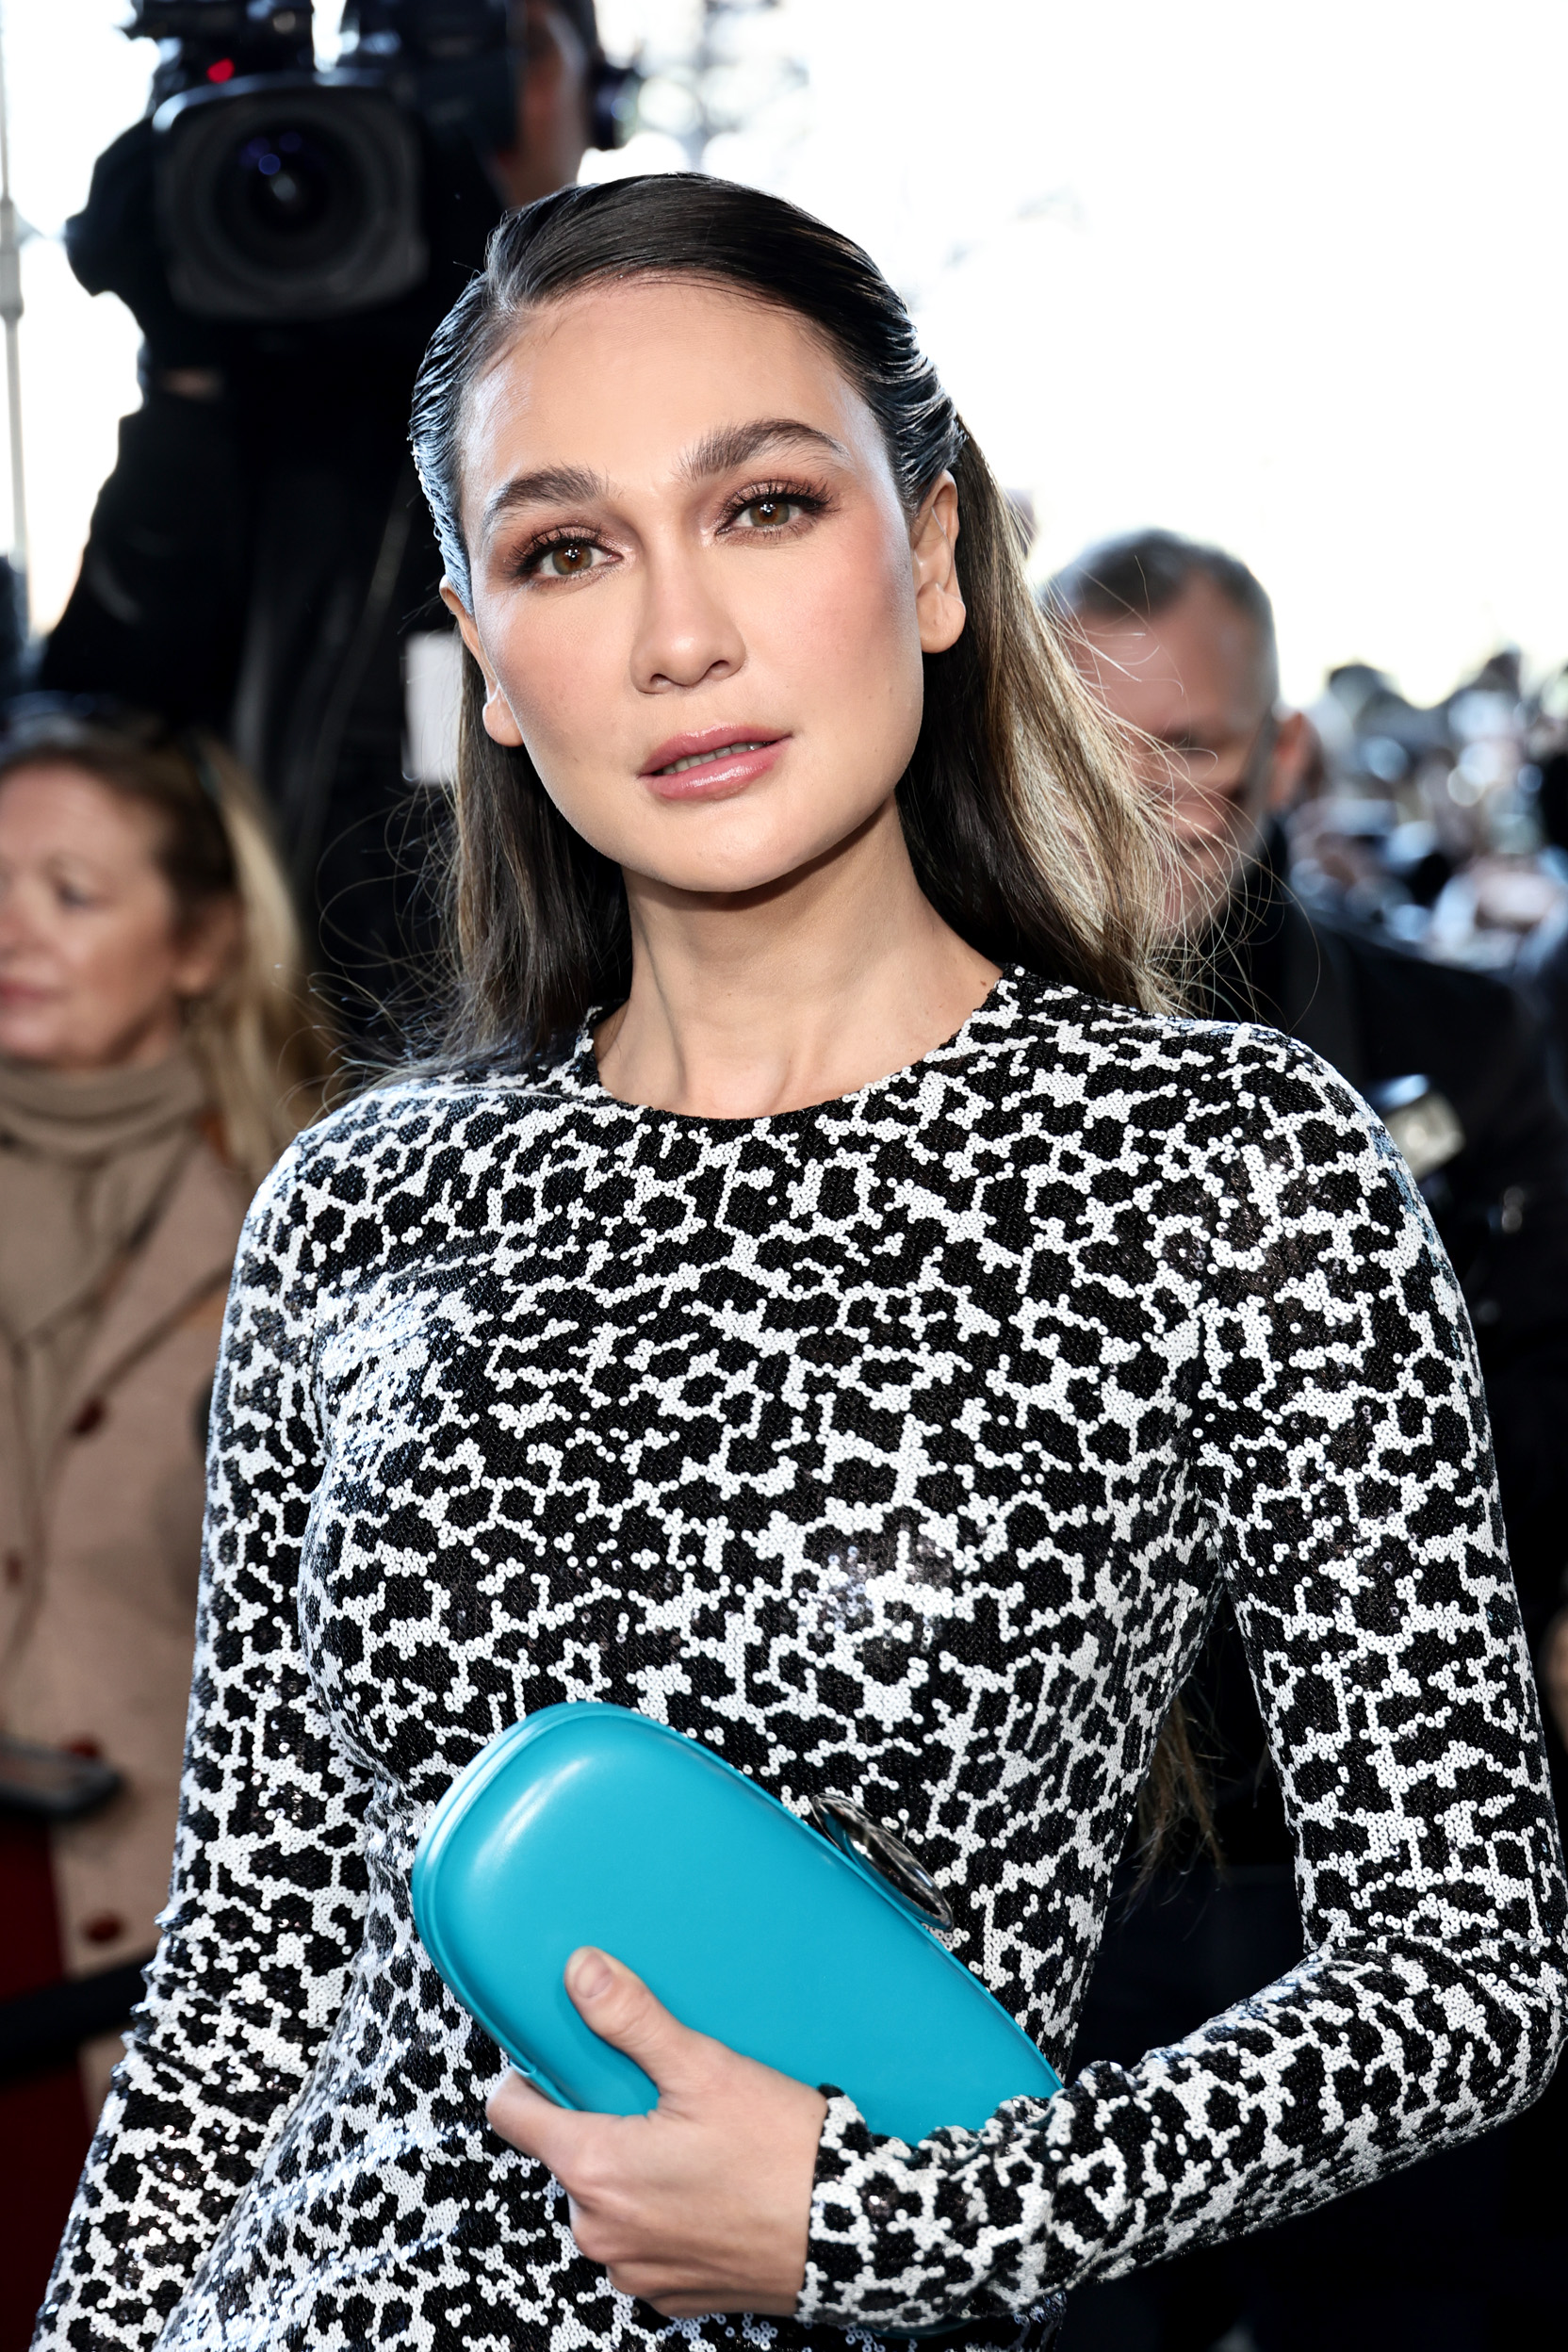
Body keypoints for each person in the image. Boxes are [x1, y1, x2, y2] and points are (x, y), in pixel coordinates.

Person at [32, 178, 1568, 2352]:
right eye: (566, 550)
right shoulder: (359, 1201)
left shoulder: (1226, 1172)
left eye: (758, 506)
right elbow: (252, 1967)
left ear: (929, 555)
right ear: (484, 653)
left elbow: (1465, 1974)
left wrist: (922, 2220)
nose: (678, 636)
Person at [1046, 530, 1568, 2350]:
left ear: (1276, 754)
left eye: (1185, 748)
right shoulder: (933, 1069)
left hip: (1390, 1860)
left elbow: (1542, 1393)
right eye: (1094, 750)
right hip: (1074, 1882)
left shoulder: (1453, 1036)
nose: (1142, 799)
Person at [40, 2, 607, 1040]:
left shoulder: (650, 376)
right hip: (256, 1043)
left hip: (539, 1025)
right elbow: (108, 719)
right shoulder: (269, 404)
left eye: (496, 44)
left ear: (597, 92)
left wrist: (482, 330)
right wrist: (184, 376)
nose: (448, 97)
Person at [0, 710, 330, 2348]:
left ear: (201, 942)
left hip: (137, 1976)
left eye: (70, 893)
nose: (12, 932)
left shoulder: (316, 1230)